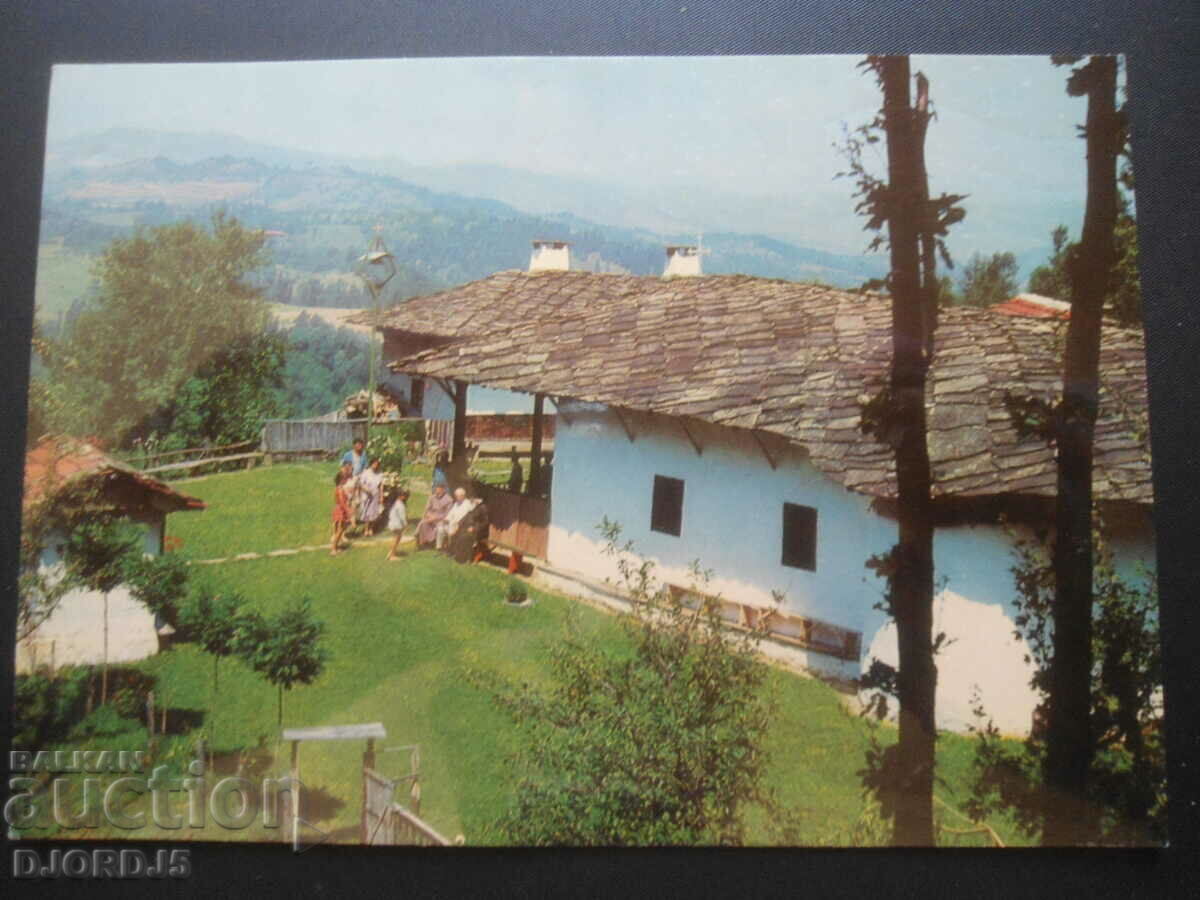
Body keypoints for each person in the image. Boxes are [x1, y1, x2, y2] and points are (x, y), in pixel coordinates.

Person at [417, 483, 453, 549]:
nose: (437, 490)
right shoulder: (432, 497)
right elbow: (427, 509)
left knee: (439, 527)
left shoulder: (449, 499)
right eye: (436, 488)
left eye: (439, 489)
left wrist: (435, 518)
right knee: (423, 523)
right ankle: (423, 543)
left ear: (443, 489)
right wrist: (429, 515)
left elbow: (447, 513)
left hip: (441, 519)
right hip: (431, 517)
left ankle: (432, 543)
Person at [357, 457, 385, 535]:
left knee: (374, 513)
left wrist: (381, 496)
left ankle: (371, 528)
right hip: (367, 495)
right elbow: (361, 484)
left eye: (377, 464)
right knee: (367, 513)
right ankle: (366, 529)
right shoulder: (366, 473)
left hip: (375, 494)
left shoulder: (380, 474)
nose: (375, 465)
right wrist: (366, 490)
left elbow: (381, 486)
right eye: (374, 464)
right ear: (371, 464)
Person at [441, 487, 473, 551]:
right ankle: (442, 547)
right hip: (452, 523)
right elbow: (451, 513)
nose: (456, 498)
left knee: (451, 531)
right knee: (440, 528)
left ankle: (450, 548)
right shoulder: (456, 503)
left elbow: (466, 518)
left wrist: (457, 523)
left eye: (458, 496)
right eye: (456, 496)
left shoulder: (467, 504)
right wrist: (446, 519)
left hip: (461, 525)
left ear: (463, 496)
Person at [330, 469, 352, 556]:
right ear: (341, 480)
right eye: (345, 478)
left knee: (340, 530)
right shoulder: (340, 489)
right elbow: (342, 502)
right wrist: (348, 511)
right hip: (341, 510)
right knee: (340, 530)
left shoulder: (338, 488)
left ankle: (336, 547)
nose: (346, 479)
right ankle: (333, 549)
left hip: (339, 509)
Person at [385, 487, 410, 561]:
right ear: (401, 496)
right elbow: (402, 517)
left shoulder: (396, 502)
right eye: (405, 496)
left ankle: (391, 553)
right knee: (396, 539)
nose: (406, 497)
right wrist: (406, 526)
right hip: (396, 524)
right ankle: (391, 556)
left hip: (392, 523)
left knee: (396, 539)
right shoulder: (400, 505)